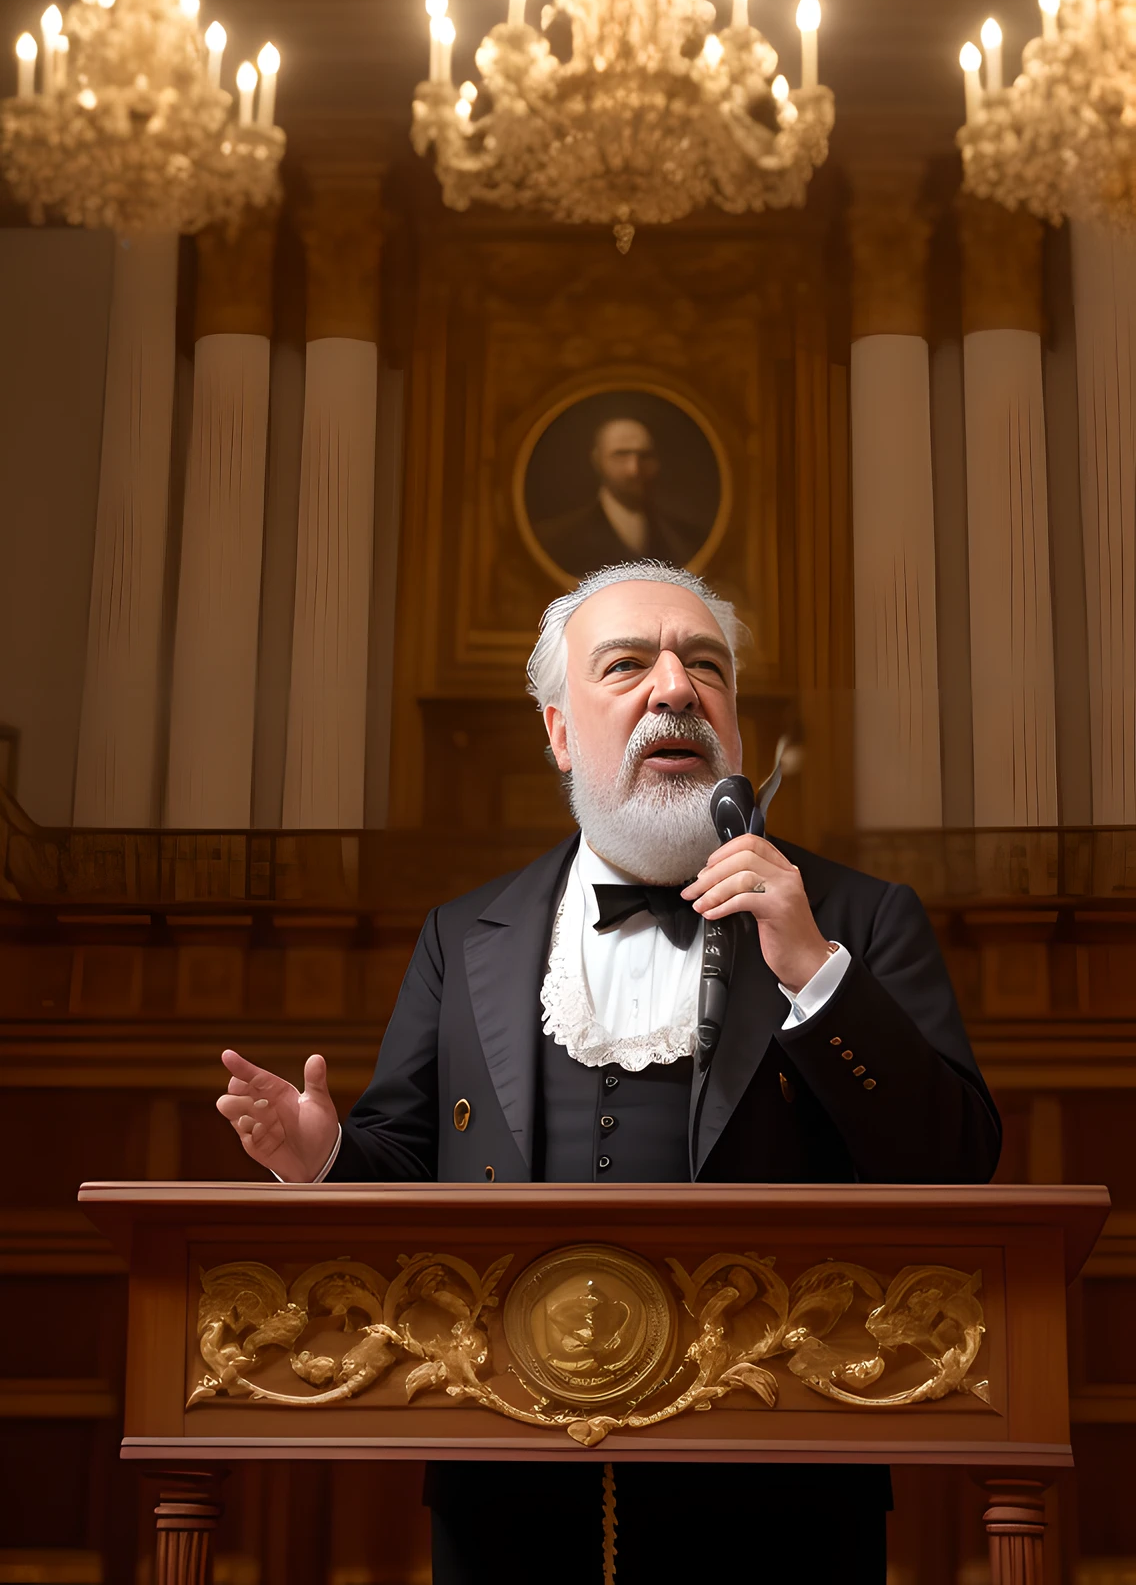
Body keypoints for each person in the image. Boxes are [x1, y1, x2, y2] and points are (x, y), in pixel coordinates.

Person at [217, 559, 1000, 1585]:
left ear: (728, 715)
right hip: (503, 1471)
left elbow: (952, 1167)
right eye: (627, 662)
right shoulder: (463, 936)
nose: (673, 687)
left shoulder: (857, 917)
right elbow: (406, 1176)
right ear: (556, 730)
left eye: (702, 665)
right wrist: (322, 1158)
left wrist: (812, 968)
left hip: (783, 1472)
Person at [534, 416, 701, 575]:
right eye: (620, 455)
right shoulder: (556, 540)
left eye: (644, 456)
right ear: (597, 460)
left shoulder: (686, 538)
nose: (634, 469)